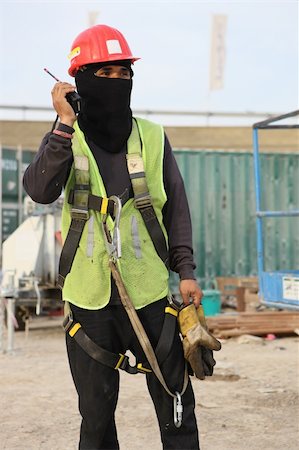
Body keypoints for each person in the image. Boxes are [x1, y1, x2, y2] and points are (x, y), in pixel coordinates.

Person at [24, 24, 203, 450]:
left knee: (176, 401)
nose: (116, 82)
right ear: (80, 81)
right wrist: (64, 123)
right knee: (97, 416)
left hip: (150, 292)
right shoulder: (65, 138)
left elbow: (175, 206)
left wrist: (187, 271)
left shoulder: (153, 137)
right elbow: (39, 189)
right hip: (89, 297)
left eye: (123, 74)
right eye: (103, 75)